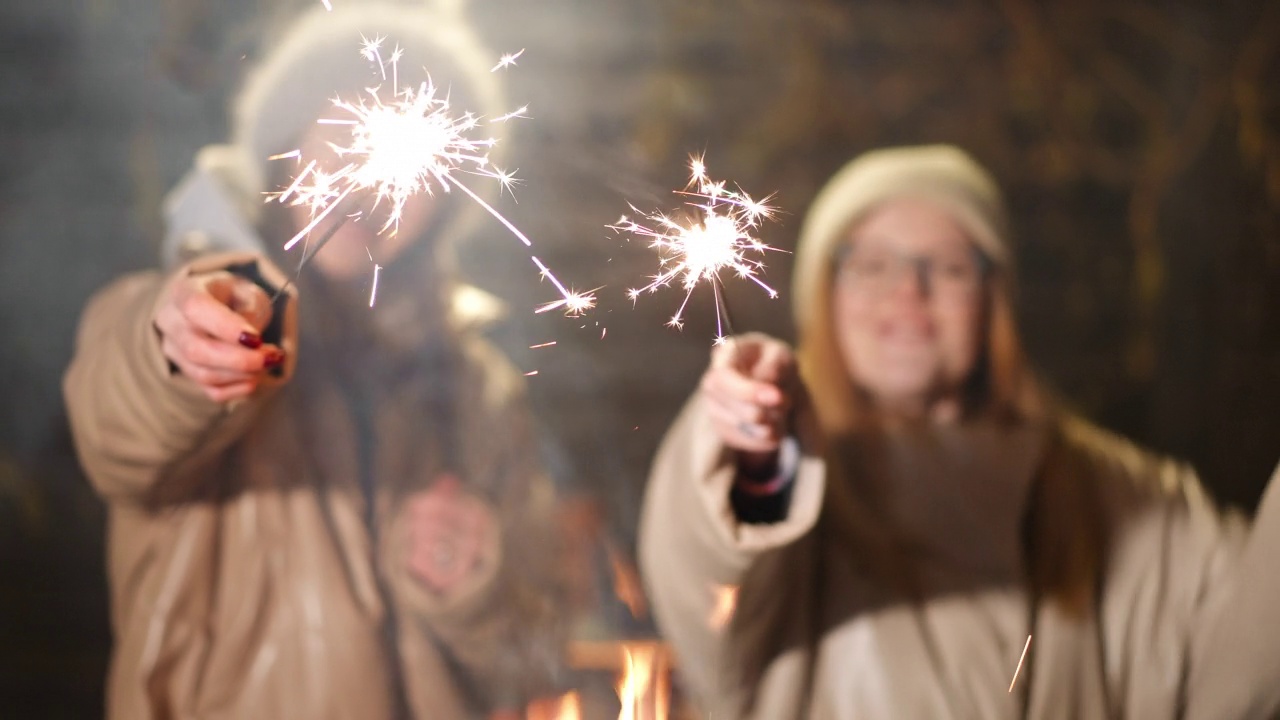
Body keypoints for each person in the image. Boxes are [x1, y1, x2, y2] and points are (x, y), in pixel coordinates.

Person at [638, 145, 1280, 719]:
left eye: (947, 266)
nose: (908, 291)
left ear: (993, 297)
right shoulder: (807, 484)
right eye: (870, 263)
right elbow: (704, 580)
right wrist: (754, 455)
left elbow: (1244, 666)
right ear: (824, 292)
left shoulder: (1123, 496)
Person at [63, 5, 567, 719]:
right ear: (287, 144)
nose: (364, 177)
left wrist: (471, 588)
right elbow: (116, 429)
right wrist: (180, 359)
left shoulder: (479, 392)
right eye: (345, 130)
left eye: (405, 152)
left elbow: (539, 640)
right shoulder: (202, 295)